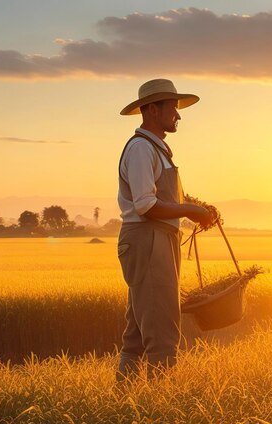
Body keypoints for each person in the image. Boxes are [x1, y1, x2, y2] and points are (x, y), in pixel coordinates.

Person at [117, 78, 216, 377]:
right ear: (151, 110)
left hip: (157, 239)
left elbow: (166, 197)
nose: (178, 115)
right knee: (162, 334)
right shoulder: (141, 149)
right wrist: (191, 211)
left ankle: (124, 404)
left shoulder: (156, 150)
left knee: (136, 336)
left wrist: (200, 207)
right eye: (173, 107)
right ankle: (161, 413)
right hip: (149, 240)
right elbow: (146, 205)